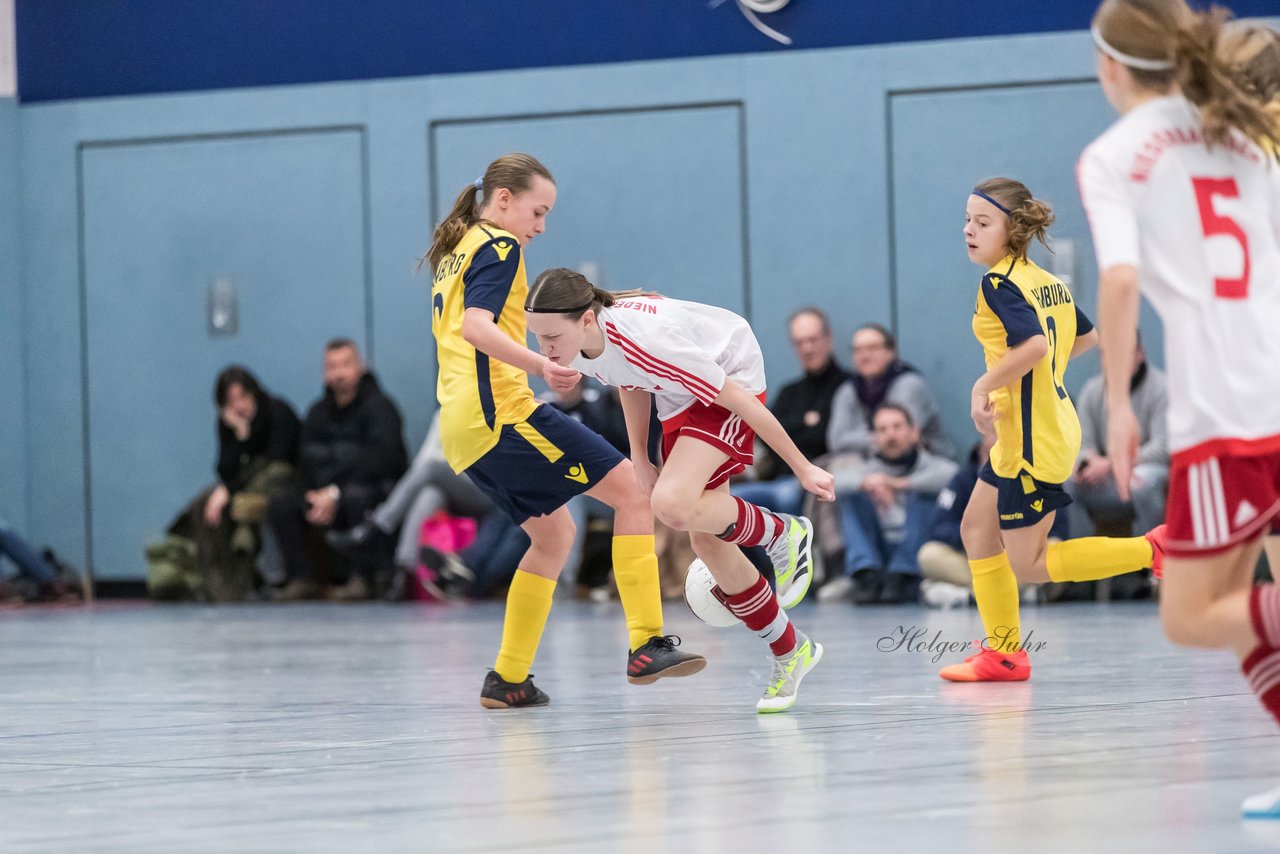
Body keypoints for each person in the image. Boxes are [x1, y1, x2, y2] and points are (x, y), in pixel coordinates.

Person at [1078, 0, 1280, 817]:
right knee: (1243, 614)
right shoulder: (1243, 133)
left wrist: (1121, 403)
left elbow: (1120, 280)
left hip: (1225, 413)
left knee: (1192, 616)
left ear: (1110, 67)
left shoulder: (1116, 153)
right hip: (1268, 383)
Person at [425, 153, 706, 709]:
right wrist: (540, 366)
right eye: (538, 211)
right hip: (502, 415)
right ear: (503, 200)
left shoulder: (457, 251)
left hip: (463, 430)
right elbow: (477, 327)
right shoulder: (500, 246)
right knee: (632, 492)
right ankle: (647, 642)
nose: (541, 227)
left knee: (552, 538)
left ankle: (508, 678)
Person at [524, 267, 834, 713]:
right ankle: (791, 651)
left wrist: (802, 468)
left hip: (731, 372)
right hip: (676, 392)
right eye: (538, 337)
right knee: (705, 540)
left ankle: (783, 533)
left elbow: (740, 401)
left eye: (551, 337)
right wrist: (640, 455)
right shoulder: (588, 346)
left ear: (586, 320)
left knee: (672, 503)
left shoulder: (650, 342)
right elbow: (629, 381)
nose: (545, 350)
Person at [936, 177, 1163, 683]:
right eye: (967, 219)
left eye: (982, 221)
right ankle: (1004, 655)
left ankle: (1156, 549)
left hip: (1034, 438)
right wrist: (1031, 382)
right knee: (976, 529)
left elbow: (1036, 346)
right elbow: (1086, 338)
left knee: (1030, 565)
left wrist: (984, 385)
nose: (968, 230)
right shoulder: (1045, 279)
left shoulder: (999, 282)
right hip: (1036, 427)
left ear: (1012, 229)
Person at [267, 339, 408, 602]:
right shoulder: (317, 413)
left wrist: (336, 492)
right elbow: (306, 460)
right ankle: (301, 578)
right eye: (332, 367)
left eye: (345, 365)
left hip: (367, 490)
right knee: (282, 503)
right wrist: (316, 494)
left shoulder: (381, 408)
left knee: (357, 497)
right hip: (323, 493)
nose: (339, 374)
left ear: (360, 367)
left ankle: (362, 578)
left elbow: (384, 459)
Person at [819, 403, 958, 605]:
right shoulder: (868, 469)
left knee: (925, 495)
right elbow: (835, 482)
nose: (890, 435)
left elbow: (952, 474)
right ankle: (865, 574)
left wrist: (896, 484)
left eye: (897, 427)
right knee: (851, 497)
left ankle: (903, 574)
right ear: (874, 438)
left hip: (916, 551)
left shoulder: (932, 465)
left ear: (914, 432)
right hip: (879, 549)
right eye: (882, 430)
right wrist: (865, 484)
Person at [733, 307, 849, 518]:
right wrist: (806, 423)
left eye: (813, 340)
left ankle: (788, 549)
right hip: (776, 479)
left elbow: (826, 437)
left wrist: (791, 428)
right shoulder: (789, 392)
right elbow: (764, 435)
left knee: (784, 498)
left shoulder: (847, 387)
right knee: (729, 502)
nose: (807, 348)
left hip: (818, 481)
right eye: (799, 342)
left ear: (828, 339)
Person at [1066, 335, 1169, 540]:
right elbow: (1083, 444)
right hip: (1108, 476)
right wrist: (1088, 463)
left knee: (1142, 483)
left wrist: (1112, 463)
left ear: (1140, 354)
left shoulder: (1161, 388)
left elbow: (1163, 448)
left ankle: (1153, 561)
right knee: (1069, 483)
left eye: (1124, 352)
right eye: (1108, 354)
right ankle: (1084, 560)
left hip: (1145, 469)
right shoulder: (1092, 391)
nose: (1116, 360)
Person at [826, 323, 953, 461]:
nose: (864, 356)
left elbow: (899, 440)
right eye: (858, 350)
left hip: (927, 465)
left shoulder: (909, 385)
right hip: (871, 468)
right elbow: (837, 441)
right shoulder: (848, 390)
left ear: (891, 351)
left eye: (872, 348)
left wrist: (861, 438)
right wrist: (877, 437)